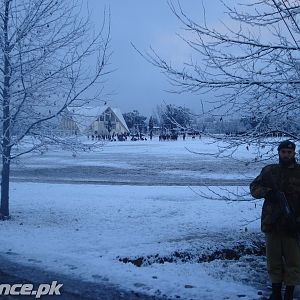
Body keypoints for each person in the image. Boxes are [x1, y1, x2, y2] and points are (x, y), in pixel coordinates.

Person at [250, 140, 300, 300]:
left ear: (294, 153)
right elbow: (254, 188)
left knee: (294, 263)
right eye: (283, 152)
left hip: (293, 225)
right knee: (274, 262)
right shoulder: (269, 171)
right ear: (279, 152)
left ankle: (289, 294)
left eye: (289, 152)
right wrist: (268, 192)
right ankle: (276, 293)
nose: (286, 155)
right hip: (272, 224)